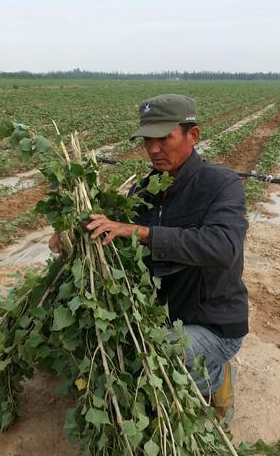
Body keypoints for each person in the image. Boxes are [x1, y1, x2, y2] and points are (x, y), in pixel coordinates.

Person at [49, 94, 248, 423]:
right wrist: (73, 234)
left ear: (192, 135)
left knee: (164, 361)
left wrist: (140, 232)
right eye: (147, 140)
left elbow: (224, 247)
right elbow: (113, 234)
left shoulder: (220, 184)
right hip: (163, 316)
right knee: (120, 356)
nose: (153, 149)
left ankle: (216, 378)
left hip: (212, 324)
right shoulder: (144, 192)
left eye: (164, 138)